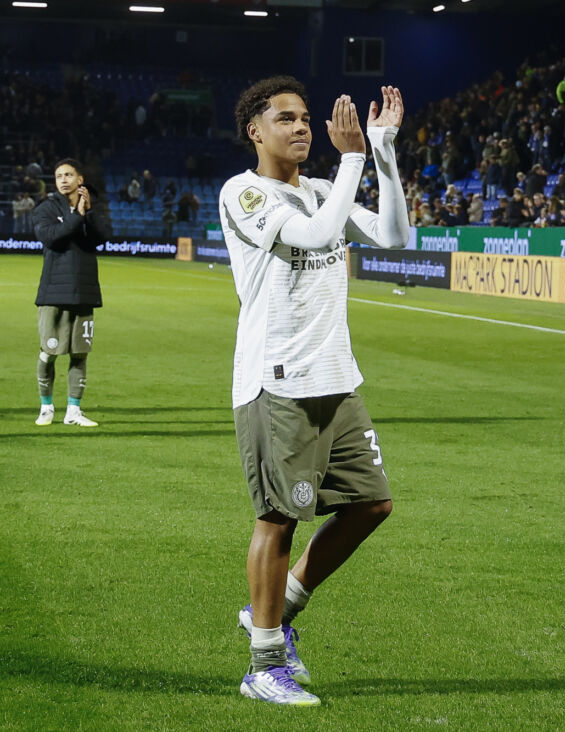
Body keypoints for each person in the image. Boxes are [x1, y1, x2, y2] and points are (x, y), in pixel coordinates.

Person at [219, 76, 409, 707]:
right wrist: (352, 156)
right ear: (255, 129)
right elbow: (317, 235)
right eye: (286, 118)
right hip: (278, 381)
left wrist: (380, 150)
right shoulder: (243, 193)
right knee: (278, 519)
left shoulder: (327, 188)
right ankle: (263, 663)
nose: (301, 127)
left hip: (337, 378)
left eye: (305, 118)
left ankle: (277, 610)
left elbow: (394, 237)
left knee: (371, 505)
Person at [31, 158, 112, 428]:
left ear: (80, 180)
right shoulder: (44, 209)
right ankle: (46, 407)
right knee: (49, 352)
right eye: (58, 176)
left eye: (68, 174)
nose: (63, 179)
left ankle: (73, 411)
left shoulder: (89, 209)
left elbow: (104, 237)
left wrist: (88, 212)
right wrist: (77, 214)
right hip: (53, 292)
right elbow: (53, 238)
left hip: (84, 291)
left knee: (79, 354)